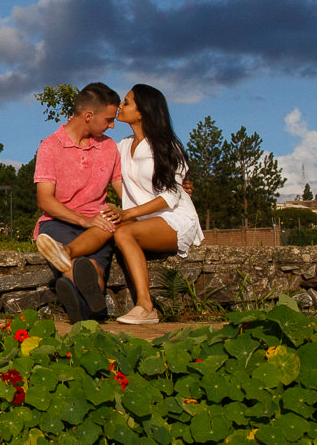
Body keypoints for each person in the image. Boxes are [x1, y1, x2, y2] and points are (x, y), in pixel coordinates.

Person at [37, 84, 203, 324]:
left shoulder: (160, 146)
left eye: (126, 103)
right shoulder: (121, 146)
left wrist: (180, 187)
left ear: (142, 112)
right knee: (105, 235)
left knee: (119, 230)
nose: (117, 115)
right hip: (127, 220)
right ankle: (72, 267)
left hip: (169, 217)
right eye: (112, 113)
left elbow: (167, 193)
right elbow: (119, 182)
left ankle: (145, 306)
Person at [33, 82, 124, 323]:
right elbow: (45, 200)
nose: (112, 125)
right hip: (59, 222)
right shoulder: (50, 146)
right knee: (84, 271)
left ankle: (80, 309)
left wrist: (172, 194)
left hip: (98, 228)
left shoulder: (109, 147)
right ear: (88, 115)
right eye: (108, 119)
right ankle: (91, 310)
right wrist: (83, 219)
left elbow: (125, 191)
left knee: (91, 268)